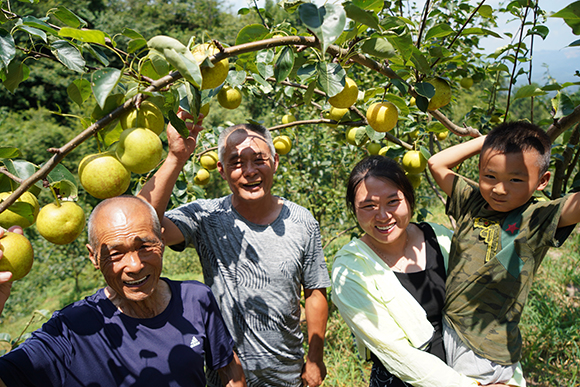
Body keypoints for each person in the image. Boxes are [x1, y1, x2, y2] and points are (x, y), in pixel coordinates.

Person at [137, 110, 330, 387]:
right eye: (236, 162)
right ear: (221, 169)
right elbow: (142, 222)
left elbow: (314, 291)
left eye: (259, 160)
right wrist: (176, 157)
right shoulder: (206, 217)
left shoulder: (302, 221)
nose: (249, 171)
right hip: (227, 379)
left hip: (289, 374)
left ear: (274, 162)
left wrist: (314, 358)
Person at [0, 196, 247, 387]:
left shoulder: (195, 298)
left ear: (161, 240)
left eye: (145, 246)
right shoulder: (72, 329)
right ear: (93, 257)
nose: (135, 265)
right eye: (116, 254)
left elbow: (227, 366)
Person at [428, 121, 580, 385]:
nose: (499, 189)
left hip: (486, 346)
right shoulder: (471, 201)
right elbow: (436, 163)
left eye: (515, 180)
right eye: (490, 177)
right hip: (453, 327)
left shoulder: (537, 218)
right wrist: (487, 140)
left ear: (542, 181)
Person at [331, 155, 486, 387]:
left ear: (409, 199)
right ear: (354, 210)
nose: (383, 216)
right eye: (368, 206)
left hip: (467, 368)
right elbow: (395, 352)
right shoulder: (350, 268)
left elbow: (483, 305)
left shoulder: (439, 238)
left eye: (392, 202)